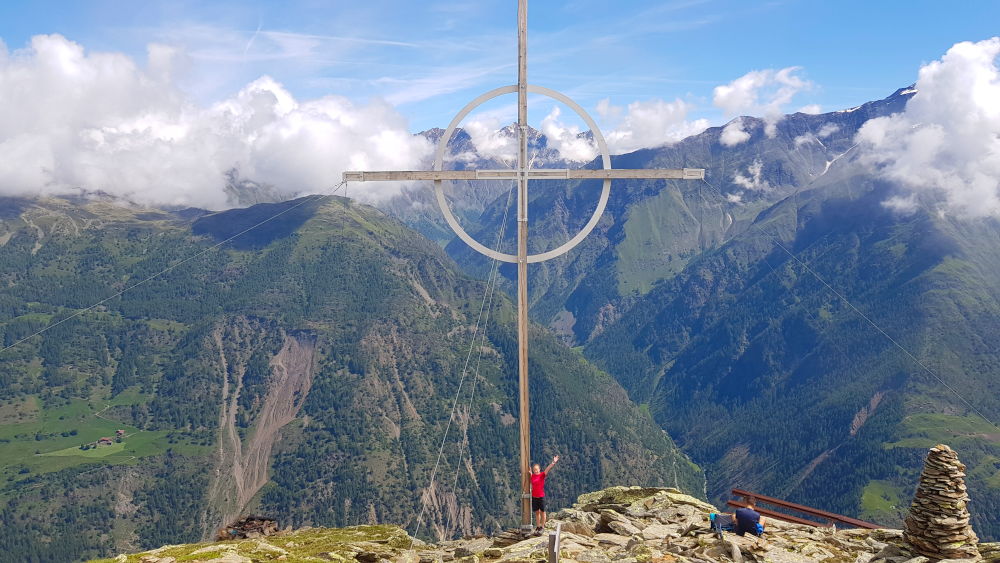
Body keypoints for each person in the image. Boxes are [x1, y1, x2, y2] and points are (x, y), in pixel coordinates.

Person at [529, 455, 559, 533]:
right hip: (534, 496)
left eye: (536, 469)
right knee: (536, 512)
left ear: (539, 469)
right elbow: (531, 479)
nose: (535, 471)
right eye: (534, 470)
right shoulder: (532, 476)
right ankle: (538, 526)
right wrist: (530, 472)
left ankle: (542, 526)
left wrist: (553, 462)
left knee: (543, 512)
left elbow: (548, 469)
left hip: (541, 496)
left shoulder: (542, 475)